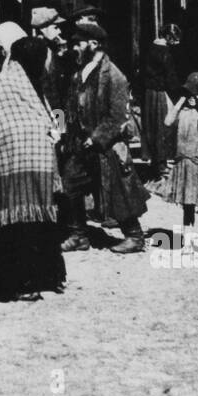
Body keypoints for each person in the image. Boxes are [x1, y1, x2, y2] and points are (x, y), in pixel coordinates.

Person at [0, 36, 65, 301]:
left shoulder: (22, 82)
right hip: (16, 166)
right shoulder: (10, 83)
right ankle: (16, 282)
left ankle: (36, 277)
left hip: (26, 166)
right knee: (21, 226)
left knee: (28, 224)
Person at [60, 22, 148, 253]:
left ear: (94, 44)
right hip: (80, 143)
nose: (74, 48)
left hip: (106, 145)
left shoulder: (114, 75)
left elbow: (118, 116)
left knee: (119, 190)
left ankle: (135, 237)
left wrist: (97, 137)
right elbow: (69, 107)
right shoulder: (80, 71)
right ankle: (79, 235)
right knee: (70, 183)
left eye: (78, 43)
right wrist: (63, 133)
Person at [165, 73, 198, 254]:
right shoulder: (184, 111)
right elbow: (167, 121)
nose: (191, 99)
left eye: (195, 95)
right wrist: (180, 102)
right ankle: (188, 243)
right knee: (187, 205)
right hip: (184, 162)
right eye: (189, 95)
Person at [140, 23, 182, 176]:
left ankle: (154, 162)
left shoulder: (149, 48)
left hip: (148, 93)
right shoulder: (165, 52)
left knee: (151, 127)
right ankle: (161, 164)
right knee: (162, 127)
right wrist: (179, 93)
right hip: (159, 93)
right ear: (169, 37)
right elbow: (170, 77)